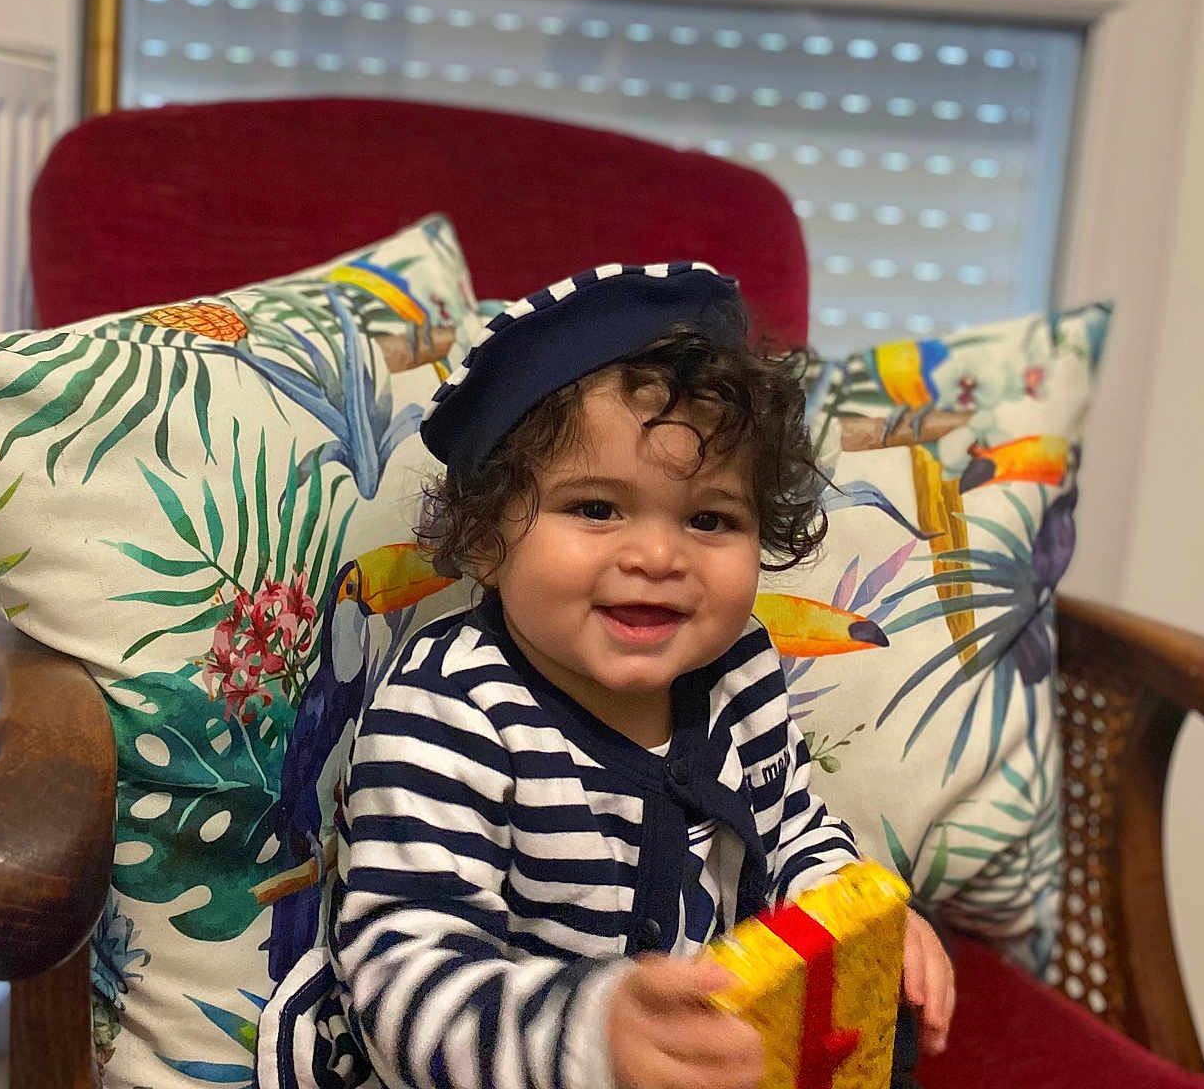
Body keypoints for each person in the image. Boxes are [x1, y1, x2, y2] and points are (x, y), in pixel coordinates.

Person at [259, 262, 955, 1089]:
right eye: (596, 508)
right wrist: (596, 1036)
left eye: (710, 518)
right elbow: (403, 981)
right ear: (486, 537)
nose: (657, 556)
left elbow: (793, 827)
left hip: (716, 1052)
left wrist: (857, 917)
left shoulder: (741, 669)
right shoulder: (451, 708)